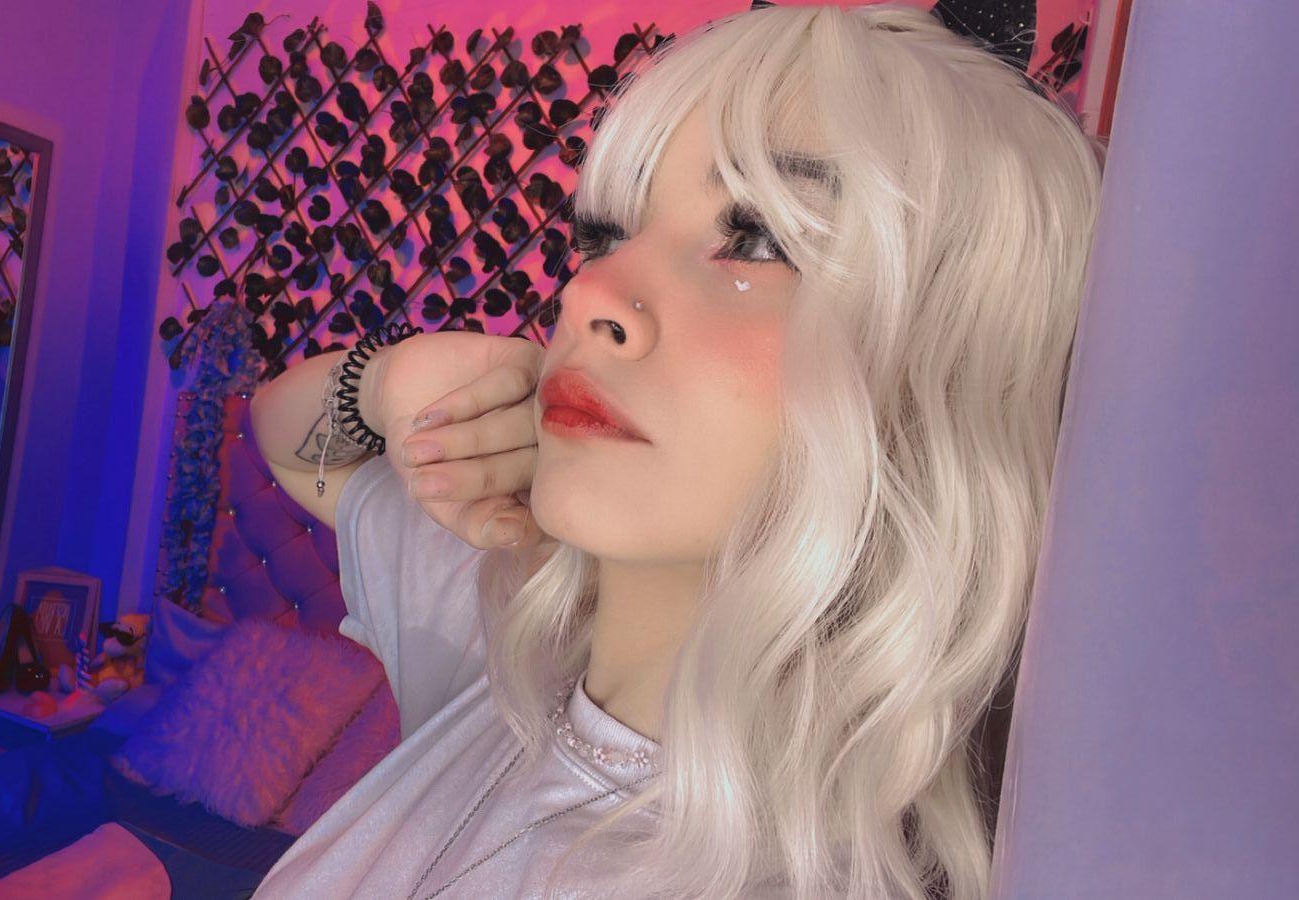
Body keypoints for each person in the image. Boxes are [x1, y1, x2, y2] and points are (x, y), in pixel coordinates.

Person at [248, 3, 1103, 898]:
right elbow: (289, 438)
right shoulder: (500, 618)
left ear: (951, 381)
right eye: (606, 233)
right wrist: (382, 384)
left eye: (761, 239)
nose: (590, 293)